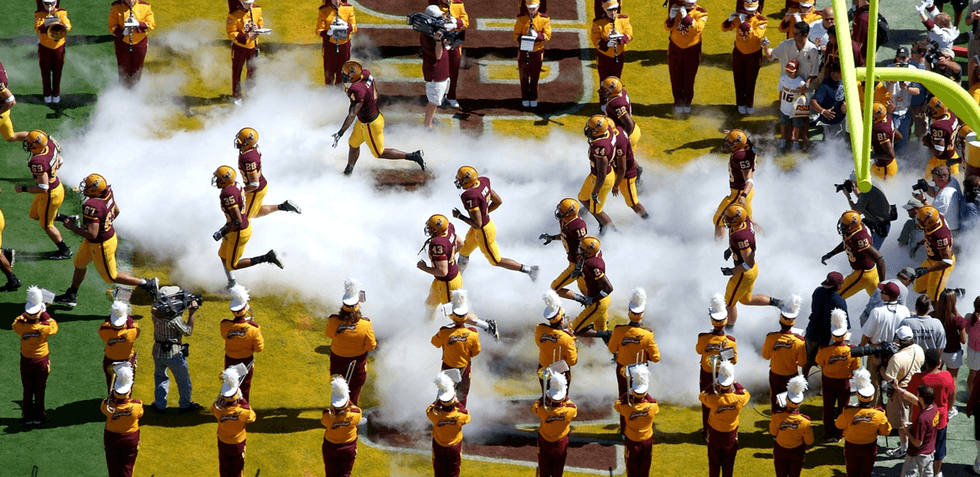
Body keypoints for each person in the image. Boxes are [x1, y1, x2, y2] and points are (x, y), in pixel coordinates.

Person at [52, 174, 160, 308]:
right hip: (99, 239)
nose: (84, 188)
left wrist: (72, 227)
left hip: (101, 245)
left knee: (111, 276)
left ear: (95, 190)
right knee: (79, 264)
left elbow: (92, 234)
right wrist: (105, 225)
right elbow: (116, 211)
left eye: (87, 187)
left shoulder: (91, 206)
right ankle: (71, 295)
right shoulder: (107, 192)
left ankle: (147, 284)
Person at [331, 60, 425, 175]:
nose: (344, 76)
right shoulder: (365, 73)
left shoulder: (357, 90)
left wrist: (340, 133)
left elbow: (352, 114)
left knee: (379, 153)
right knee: (353, 143)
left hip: (370, 124)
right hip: (368, 118)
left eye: (346, 74)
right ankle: (349, 170)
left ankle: (414, 156)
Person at [453, 166, 538, 280]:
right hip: (481, 227)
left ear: (467, 180)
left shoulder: (469, 195)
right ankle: (456, 279)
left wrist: (459, 216)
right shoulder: (483, 181)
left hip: (483, 231)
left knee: (496, 261)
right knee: (464, 251)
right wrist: (483, 213)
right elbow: (498, 201)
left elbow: (478, 223)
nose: (459, 182)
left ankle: (530, 270)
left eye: (460, 180)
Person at [210, 166, 283, 288]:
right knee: (222, 255)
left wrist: (222, 232)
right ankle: (231, 283)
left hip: (239, 231)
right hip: (233, 227)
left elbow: (237, 221)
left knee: (233, 265)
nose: (216, 181)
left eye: (218, 178)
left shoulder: (228, 194)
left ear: (225, 180)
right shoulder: (234, 185)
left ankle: (267, 257)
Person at [720, 204, 782, 327]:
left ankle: (729, 329)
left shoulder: (741, 237)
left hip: (743, 272)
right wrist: (731, 249)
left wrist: (732, 271)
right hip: (751, 270)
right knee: (745, 300)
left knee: (729, 304)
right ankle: (779, 303)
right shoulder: (744, 219)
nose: (726, 219)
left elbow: (748, 263)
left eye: (729, 218)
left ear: (736, 220)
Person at [17, 130, 70, 259]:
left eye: (30, 143)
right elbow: (60, 160)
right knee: (34, 214)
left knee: (46, 225)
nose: (27, 144)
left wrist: (23, 189)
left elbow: (43, 187)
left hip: (51, 194)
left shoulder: (38, 162)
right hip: (56, 187)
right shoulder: (49, 143)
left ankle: (65, 251)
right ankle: (67, 218)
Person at [902, 350, 955, 477]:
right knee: (939, 449)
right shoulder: (947, 376)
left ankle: (914, 472)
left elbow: (910, 396)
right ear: (939, 362)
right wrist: (949, 409)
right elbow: (952, 393)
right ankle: (936, 473)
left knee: (917, 449)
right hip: (939, 420)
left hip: (919, 420)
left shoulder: (917, 378)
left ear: (926, 362)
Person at [325, 278, 376, 405]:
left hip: (337, 361)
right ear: (358, 305)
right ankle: (350, 414)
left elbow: (329, 335)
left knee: (338, 391)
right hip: (357, 364)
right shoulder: (365, 325)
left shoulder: (333, 321)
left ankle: (337, 411)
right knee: (353, 393)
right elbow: (371, 346)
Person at [149, 288, 201, 413]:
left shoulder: (155, 313)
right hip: (174, 354)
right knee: (183, 380)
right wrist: (191, 313)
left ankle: (160, 405)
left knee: (160, 378)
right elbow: (187, 331)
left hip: (158, 351)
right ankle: (185, 405)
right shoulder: (174, 319)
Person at [233, 128, 301, 220]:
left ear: (247, 143)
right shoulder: (251, 149)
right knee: (255, 213)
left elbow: (254, 184)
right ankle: (283, 206)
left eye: (240, 140)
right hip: (261, 185)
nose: (238, 141)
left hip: (255, 190)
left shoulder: (248, 159)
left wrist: (240, 192)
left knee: (243, 219)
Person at [860, 282, 910, 406]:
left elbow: (867, 334)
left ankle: (876, 408)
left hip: (876, 350)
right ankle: (894, 409)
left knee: (874, 383)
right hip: (897, 350)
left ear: (887, 296)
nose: (880, 293)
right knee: (896, 382)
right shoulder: (904, 310)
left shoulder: (877, 311)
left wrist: (861, 347)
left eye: (882, 292)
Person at [14, 286, 58, 426]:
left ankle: (27, 417)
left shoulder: (20, 325)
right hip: (41, 361)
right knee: (40, 390)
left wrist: (30, 312)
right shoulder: (45, 328)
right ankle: (39, 416)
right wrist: (44, 313)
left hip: (26, 361)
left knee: (27, 389)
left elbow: (17, 321)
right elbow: (54, 326)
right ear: (39, 313)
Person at [836, 368, 892, 477]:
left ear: (858, 395)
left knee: (851, 472)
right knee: (866, 472)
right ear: (872, 396)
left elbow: (838, 424)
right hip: (869, 447)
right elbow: (886, 431)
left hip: (851, 446)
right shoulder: (879, 414)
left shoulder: (848, 412)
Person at [556, 235, 613, 340]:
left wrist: (594, 299)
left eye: (582, 249)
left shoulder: (593, 265)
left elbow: (609, 288)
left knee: (575, 330)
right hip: (602, 301)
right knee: (601, 331)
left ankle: (608, 334)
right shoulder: (593, 254)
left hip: (598, 302)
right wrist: (579, 267)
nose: (579, 251)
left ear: (589, 252)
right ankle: (611, 343)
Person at [815, 309, 860, 442]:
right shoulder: (852, 350)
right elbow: (856, 366)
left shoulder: (823, 349)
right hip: (844, 382)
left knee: (828, 408)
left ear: (832, 335)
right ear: (845, 334)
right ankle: (839, 435)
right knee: (842, 409)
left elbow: (819, 362)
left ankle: (828, 435)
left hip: (828, 381)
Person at [696, 294, 738, 437]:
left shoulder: (703, 338)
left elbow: (698, 351)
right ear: (726, 320)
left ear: (712, 320)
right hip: (723, 375)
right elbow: (734, 360)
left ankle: (707, 430)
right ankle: (720, 428)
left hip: (706, 373)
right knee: (723, 402)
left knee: (707, 401)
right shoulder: (730, 341)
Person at [882, 326, 926, 458]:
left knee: (902, 423)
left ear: (898, 340)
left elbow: (890, 379)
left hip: (901, 391)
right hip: (916, 389)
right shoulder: (918, 349)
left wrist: (880, 367)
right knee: (913, 419)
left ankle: (903, 449)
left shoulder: (897, 358)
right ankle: (912, 444)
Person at [699, 361, 749, 477]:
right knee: (729, 465)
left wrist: (711, 386)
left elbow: (701, 396)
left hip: (715, 434)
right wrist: (736, 383)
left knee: (714, 464)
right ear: (731, 383)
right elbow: (745, 393)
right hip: (731, 434)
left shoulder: (712, 399)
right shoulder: (739, 399)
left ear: (719, 383)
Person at [432, 290, 481, 407]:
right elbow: (475, 352)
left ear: (453, 316)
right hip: (465, 367)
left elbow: (434, 343)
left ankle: (440, 414)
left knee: (444, 393)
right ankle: (460, 414)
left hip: (447, 366)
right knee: (462, 395)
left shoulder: (444, 332)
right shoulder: (473, 334)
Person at [821, 210, 886, 299]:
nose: (841, 226)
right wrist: (832, 253)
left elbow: (880, 260)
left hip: (863, 274)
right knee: (881, 300)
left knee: (833, 298)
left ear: (852, 226)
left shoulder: (859, 238)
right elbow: (847, 242)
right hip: (872, 272)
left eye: (844, 225)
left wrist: (883, 283)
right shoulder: (853, 230)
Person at [608, 288, 659, 398]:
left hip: (622, 369)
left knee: (623, 397)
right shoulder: (648, 334)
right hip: (640, 371)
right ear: (642, 314)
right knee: (640, 394)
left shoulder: (618, 330)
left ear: (629, 313)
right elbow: (656, 358)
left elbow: (612, 349)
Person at [762, 296, 806, 412]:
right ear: (793, 322)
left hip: (775, 375)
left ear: (780, 320)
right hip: (791, 375)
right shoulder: (799, 341)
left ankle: (776, 420)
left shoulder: (771, 337)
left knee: (776, 401)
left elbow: (765, 356)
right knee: (792, 400)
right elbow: (802, 362)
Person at [721, 0, 766, 115]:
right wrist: (730, 19)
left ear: (756, 8)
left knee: (751, 80)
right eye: (748, 10)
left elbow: (756, 36)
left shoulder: (761, 20)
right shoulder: (739, 17)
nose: (750, 13)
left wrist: (743, 22)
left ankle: (749, 103)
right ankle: (740, 103)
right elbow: (724, 28)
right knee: (738, 79)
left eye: (752, 10)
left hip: (753, 54)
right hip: (739, 52)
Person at [212, 365, 257, 477]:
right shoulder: (244, 411)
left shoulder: (218, 409)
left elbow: (213, 408)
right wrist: (243, 400)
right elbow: (252, 417)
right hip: (238, 443)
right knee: (237, 470)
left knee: (224, 468)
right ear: (237, 394)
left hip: (223, 441)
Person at [221, 285, 263, 403]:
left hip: (230, 359)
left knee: (230, 384)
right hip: (246, 360)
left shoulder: (224, 324)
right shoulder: (254, 329)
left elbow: (224, 336)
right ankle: (243, 408)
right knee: (244, 386)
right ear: (245, 309)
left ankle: (229, 406)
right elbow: (259, 348)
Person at [614, 365, 659, 477]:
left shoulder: (626, 407)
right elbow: (652, 402)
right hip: (647, 439)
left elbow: (617, 404)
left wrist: (627, 394)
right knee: (645, 466)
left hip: (632, 440)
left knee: (631, 466)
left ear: (633, 391)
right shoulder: (653, 406)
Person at [664, 0, 706, 115]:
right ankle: (678, 101)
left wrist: (685, 16)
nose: (690, 5)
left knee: (689, 77)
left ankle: (687, 102)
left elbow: (698, 28)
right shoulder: (677, 8)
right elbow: (667, 27)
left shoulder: (701, 13)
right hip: (675, 47)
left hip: (692, 49)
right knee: (675, 76)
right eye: (688, 2)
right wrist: (671, 17)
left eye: (692, 3)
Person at [712, 129, 757, 239]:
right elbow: (744, 139)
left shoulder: (740, 157)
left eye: (731, 143)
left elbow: (749, 180)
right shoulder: (748, 146)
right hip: (747, 192)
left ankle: (716, 246)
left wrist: (743, 195)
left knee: (718, 219)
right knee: (748, 222)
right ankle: (761, 239)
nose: (728, 144)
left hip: (739, 193)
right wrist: (733, 134)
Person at [579, 116, 619, 233]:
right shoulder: (607, 130)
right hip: (595, 174)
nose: (588, 130)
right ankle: (598, 219)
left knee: (596, 210)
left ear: (598, 131)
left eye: (591, 129)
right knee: (582, 197)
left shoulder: (600, 147)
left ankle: (613, 231)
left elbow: (602, 174)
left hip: (602, 179)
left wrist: (595, 191)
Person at [803, 272, 847, 376]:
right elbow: (844, 325)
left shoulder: (818, 291)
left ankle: (803, 379)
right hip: (826, 338)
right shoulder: (840, 302)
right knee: (825, 362)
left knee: (807, 360)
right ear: (839, 286)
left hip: (812, 332)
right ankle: (824, 382)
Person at [427, 371, 471, 477]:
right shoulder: (461, 415)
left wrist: (439, 400)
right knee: (453, 473)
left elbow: (429, 409)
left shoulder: (434, 415)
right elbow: (467, 415)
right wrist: (457, 402)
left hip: (438, 446)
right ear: (453, 398)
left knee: (439, 473)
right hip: (454, 448)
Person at [102, 362, 142, 477]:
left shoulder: (106, 406)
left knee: (112, 467)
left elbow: (107, 404)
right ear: (128, 392)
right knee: (127, 467)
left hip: (111, 437)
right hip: (130, 438)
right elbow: (140, 414)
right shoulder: (137, 406)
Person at [533, 370, 576, 477]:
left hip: (544, 441)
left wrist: (544, 398)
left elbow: (535, 407)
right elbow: (570, 404)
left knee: (543, 468)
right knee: (558, 469)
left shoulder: (542, 409)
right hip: (561, 442)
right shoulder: (571, 410)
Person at [540, 198, 588, 292]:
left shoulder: (577, 225)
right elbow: (567, 236)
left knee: (554, 288)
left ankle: (584, 299)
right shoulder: (565, 220)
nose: (559, 212)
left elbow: (586, 245)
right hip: (575, 261)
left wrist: (579, 264)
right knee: (585, 291)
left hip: (578, 263)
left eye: (561, 210)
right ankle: (588, 300)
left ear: (568, 213)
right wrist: (552, 237)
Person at [769, 376, 813, 477]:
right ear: (800, 403)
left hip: (780, 449)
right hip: (797, 451)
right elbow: (809, 441)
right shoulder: (805, 421)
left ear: (786, 400)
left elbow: (773, 432)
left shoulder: (776, 416)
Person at [912, 205, 956, 302]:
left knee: (932, 298)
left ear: (929, 222)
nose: (918, 222)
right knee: (918, 287)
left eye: (920, 221)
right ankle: (944, 292)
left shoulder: (940, 236)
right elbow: (929, 211)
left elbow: (948, 261)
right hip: (931, 259)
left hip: (941, 264)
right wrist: (920, 243)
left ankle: (949, 297)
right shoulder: (934, 218)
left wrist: (927, 270)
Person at [537, 291, 577, 392]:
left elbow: (539, 343)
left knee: (546, 394)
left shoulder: (540, 329)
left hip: (543, 368)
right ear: (562, 320)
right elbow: (572, 361)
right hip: (560, 371)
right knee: (561, 396)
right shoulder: (567, 338)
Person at [513, 0, 551, 108]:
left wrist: (537, 35)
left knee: (535, 76)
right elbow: (515, 35)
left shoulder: (544, 19)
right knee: (524, 76)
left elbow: (548, 36)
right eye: (529, 8)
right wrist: (525, 37)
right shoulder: (521, 19)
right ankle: (525, 97)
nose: (531, 10)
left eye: (533, 8)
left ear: (538, 7)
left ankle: (533, 97)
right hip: (524, 51)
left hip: (537, 51)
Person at [431, 0, 468, 109]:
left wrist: (456, 22)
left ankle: (451, 96)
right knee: (441, 70)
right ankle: (440, 95)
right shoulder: (436, 6)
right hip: (442, 43)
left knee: (454, 71)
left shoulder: (458, 4)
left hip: (455, 43)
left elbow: (466, 21)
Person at [840, 173, 893, 249]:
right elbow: (862, 199)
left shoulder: (866, 193)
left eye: (853, 182)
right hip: (879, 224)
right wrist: (853, 187)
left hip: (880, 227)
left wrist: (848, 196)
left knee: (870, 252)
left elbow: (856, 212)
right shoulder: (870, 186)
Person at [321, 376, 361, 477]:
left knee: (330, 474)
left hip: (330, 446)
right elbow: (354, 408)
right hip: (349, 447)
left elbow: (324, 422)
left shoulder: (327, 415)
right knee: (345, 474)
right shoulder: (355, 413)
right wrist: (345, 394)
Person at [108, 0, 155, 86]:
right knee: (123, 68)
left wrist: (138, 24)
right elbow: (111, 26)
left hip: (139, 42)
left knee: (137, 69)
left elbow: (151, 24)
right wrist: (122, 32)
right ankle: (123, 89)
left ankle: (135, 89)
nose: (130, 1)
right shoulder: (116, 6)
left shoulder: (145, 6)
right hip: (122, 42)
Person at [934, 288, 967, 406]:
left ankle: (935, 403)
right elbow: (963, 340)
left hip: (938, 352)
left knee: (935, 378)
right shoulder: (958, 319)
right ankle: (950, 408)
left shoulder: (934, 315)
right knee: (952, 380)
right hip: (953, 352)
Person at [227, 0, 264, 104]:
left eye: (251, 2)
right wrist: (246, 36)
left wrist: (258, 28)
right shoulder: (234, 15)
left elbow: (260, 23)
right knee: (237, 72)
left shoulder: (257, 9)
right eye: (248, 3)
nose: (250, 5)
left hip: (253, 46)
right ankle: (237, 96)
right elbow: (231, 33)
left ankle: (251, 94)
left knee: (253, 71)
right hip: (239, 48)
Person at [34, 0, 71, 104]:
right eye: (46, 3)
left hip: (58, 47)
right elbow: (37, 29)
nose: (49, 6)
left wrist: (60, 24)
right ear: (43, 3)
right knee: (45, 72)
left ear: (56, 3)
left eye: (52, 3)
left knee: (57, 72)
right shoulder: (39, 14)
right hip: (44, 47)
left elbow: (68, 26)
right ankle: (47, 94)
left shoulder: (62, 12)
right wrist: (47, 23)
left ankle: (56, 94)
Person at [764, 21, 820, 89]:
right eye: (793, 33)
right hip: (786, 88)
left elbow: (814, 73)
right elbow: (770, 56)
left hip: (803, 89)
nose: (793, 35)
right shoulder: (785, 45)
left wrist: (806, 85)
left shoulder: (812, 50)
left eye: (796, 34)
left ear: (805, 35)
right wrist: (765, 47)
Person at [899, 385, 940, 477]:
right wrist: (899, 390)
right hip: (929, 452)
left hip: (917, 455)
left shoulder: (922, 419)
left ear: (921, 398)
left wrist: (906, 431)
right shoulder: (934, 407)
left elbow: (917, 443)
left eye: (918, 394)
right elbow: (914, 400)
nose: (916, 395)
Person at [421, 8, 451, 128]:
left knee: (437, 99)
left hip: (441, 71)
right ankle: (427, 126)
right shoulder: (428, 36)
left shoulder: (432, 31)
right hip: (435, 73)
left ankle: (430, 120)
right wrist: (438, 41)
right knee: (433, 101)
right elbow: (438, 56)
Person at [99, 300, 140, 390]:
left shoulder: (104, 330)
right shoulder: (133, 330)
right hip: (128, 359)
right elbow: (136, 334)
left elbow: (103, 332)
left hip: (110, 359)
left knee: (110, 383)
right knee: (127, 384)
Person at [315, 0, 356, 86]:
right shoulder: (324, 10)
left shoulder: (348, 8)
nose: (336, 0)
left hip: (344, 45)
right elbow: (319, 30)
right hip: (330, 45)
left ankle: (339, 92)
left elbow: (354, 28)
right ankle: (328, 92)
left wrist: (346, 25)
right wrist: (329, 32)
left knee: (342, 73)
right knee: (329, 73)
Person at [887, 47, 921, 153]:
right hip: (893, 110)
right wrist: (893, 77)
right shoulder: (890, 68)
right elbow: (889, 91)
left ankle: (901, 159)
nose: (902, 60)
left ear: (908, 57)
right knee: (891, 139)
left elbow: (917, 91)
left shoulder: (913, 69)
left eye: (904, 58)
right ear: (896, 58)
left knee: (903, 140)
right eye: (899, 58)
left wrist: (907, 89)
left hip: (906, 111)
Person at [591, 0, 633, 82]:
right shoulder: (598, 23)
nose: (613, 12)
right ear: (605, 10)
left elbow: (630, 35)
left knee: (616, 81)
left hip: (619, 54)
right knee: (604, 81)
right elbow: (595, 40)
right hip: (604, 56)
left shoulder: (623, 20)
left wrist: (620, 38)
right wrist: (607, 43)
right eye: (610, 10)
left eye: (615, 9)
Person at [599, 77, 641, 151]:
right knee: (630, 157)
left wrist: (622, 139)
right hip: (634, 130)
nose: (600, 91)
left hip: (628, 133)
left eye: (604, 89)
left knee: (620, 158)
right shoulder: (621, 92)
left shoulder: (616, 104)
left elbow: (629, 124)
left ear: (611, 91)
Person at [916, 165, 962, 233]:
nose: (932, 180)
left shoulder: (944, 197)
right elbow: (935, 192)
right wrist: (926, 187)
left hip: (948, 231)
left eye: (934, 179)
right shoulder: (951, 180)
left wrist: (923, 200)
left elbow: (933, 216)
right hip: (952, 226)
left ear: (943, 178)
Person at [924, 98, 961, 179]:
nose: (929, 110)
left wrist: (928, 142)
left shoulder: (939, 126)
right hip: (952, 155)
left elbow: (939, 152)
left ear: (938, 110)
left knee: (935, 182)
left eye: (931, 109)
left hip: (943, 160)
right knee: (927, 179)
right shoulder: (951, 114)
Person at [775, 60, 808, 152]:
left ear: (796, 71)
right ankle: (783, 139)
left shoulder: (800, 82)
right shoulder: (783, 78)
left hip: (795, 109)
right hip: (784, 107)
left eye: (791, 71)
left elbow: (803, 96)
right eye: (787, 70)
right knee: (783, 124)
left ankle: (796, 142)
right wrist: (780, 103)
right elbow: (781, 92)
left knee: (797, 126)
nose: (789, 73)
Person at [810, 61, 846, 139]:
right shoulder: (825, 85)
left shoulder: (843, 79)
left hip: (841, 119)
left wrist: (845, 103)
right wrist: (823, 111)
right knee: (831, 144)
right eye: (843, 73)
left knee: (841, 141)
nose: (845, 75)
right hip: (829, 123)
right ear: (835, 73)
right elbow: (812, 102)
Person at [868, 103, 901, 180]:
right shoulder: (888, 117)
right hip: (888, 164)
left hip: (884, 169)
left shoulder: (880, 129)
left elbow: (891, 155)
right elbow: (899, 136)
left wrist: (873, 155)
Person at [0, 60, 29, 143]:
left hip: (1, 112)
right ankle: (44, 140)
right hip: (4, 112)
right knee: (11, 137)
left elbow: (11, 101)